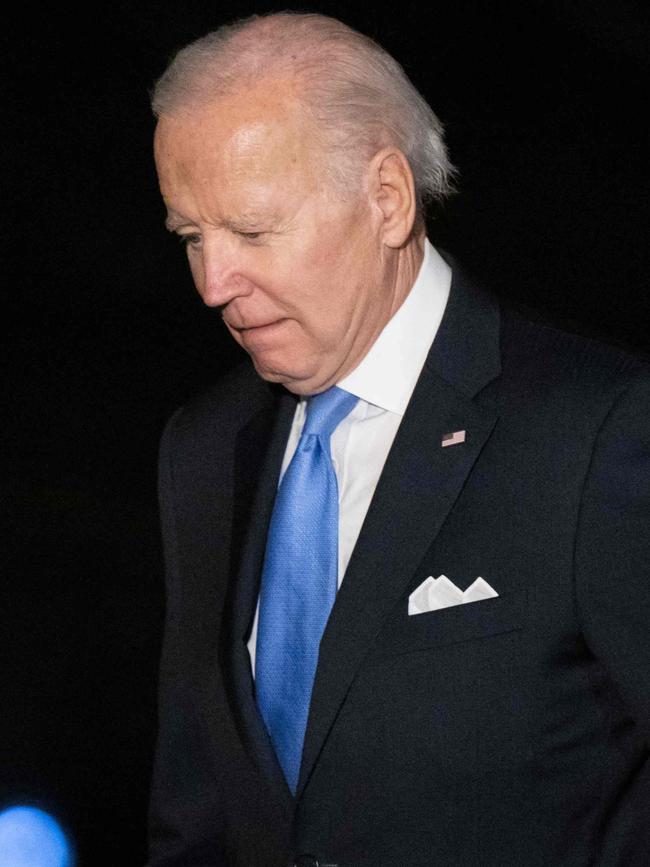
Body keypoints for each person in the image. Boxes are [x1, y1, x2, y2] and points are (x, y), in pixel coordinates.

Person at [148, 12, 650, 867]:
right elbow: (198, 811)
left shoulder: (597, 430)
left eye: (253, 231)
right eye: (193, 237)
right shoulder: (204, 449)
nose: (212, 283)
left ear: (386, 197)